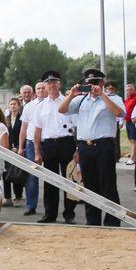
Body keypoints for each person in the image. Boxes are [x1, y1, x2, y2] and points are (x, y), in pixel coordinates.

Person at [58, 68, 125, 226]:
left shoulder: (112, 98)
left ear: (102, 83)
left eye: (95, 83)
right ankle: (93, 221)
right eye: (89, 83)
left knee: (108, 185)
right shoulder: (81, 100)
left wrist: (102, 95)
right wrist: (71, 95)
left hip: (104, 145)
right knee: (89, 186)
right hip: (85, 147)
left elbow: (120, 113)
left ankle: (112, 222)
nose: (92, 86)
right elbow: (61, 110)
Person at [33, 70, 77, 224]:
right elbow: (37, 131)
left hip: (67, 143)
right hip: (49, 144)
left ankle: (69, 214)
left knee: (69, 180)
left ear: (59, 84)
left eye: (54, 82)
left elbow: (77, 127)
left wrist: (77, 149)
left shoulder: (69, 102)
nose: (51, 85)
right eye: (48, 82)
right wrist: (37, 152)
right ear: (45, 85)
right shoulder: (40, 106)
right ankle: (50, 214)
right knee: (50, 181)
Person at [18, 82, 46, 216]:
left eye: (43, 88)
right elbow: (23, 128)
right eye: (38, 88)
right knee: (31, 176)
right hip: (30, 144)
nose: (41, 90)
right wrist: (20, 147)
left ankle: (50, 208)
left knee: (52, 176)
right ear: (36, 91)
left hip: (48, 142)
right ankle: (31, 206)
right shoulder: (28, 107)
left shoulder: (51, 104)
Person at [4, 96, 23, 205]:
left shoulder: (22, 118)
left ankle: (18, 195)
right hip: (7, 148)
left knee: (17, 173)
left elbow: (23, 134)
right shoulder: (5, 119)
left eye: (15, 104)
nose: (13, 106)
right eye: (11, 104)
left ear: (19, 106)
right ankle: (7, 197)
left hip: (18, 148)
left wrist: (19, 147)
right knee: (6, 172)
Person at [123, 84, 136, 165]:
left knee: (133, 140)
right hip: (128, 121)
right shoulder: (127, 99)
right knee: (131, 139)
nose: (129, 91)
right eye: (127, 90)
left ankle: (132, 158)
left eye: (130, 89)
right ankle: (134, 157)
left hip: (135, 121)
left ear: (134, 90)